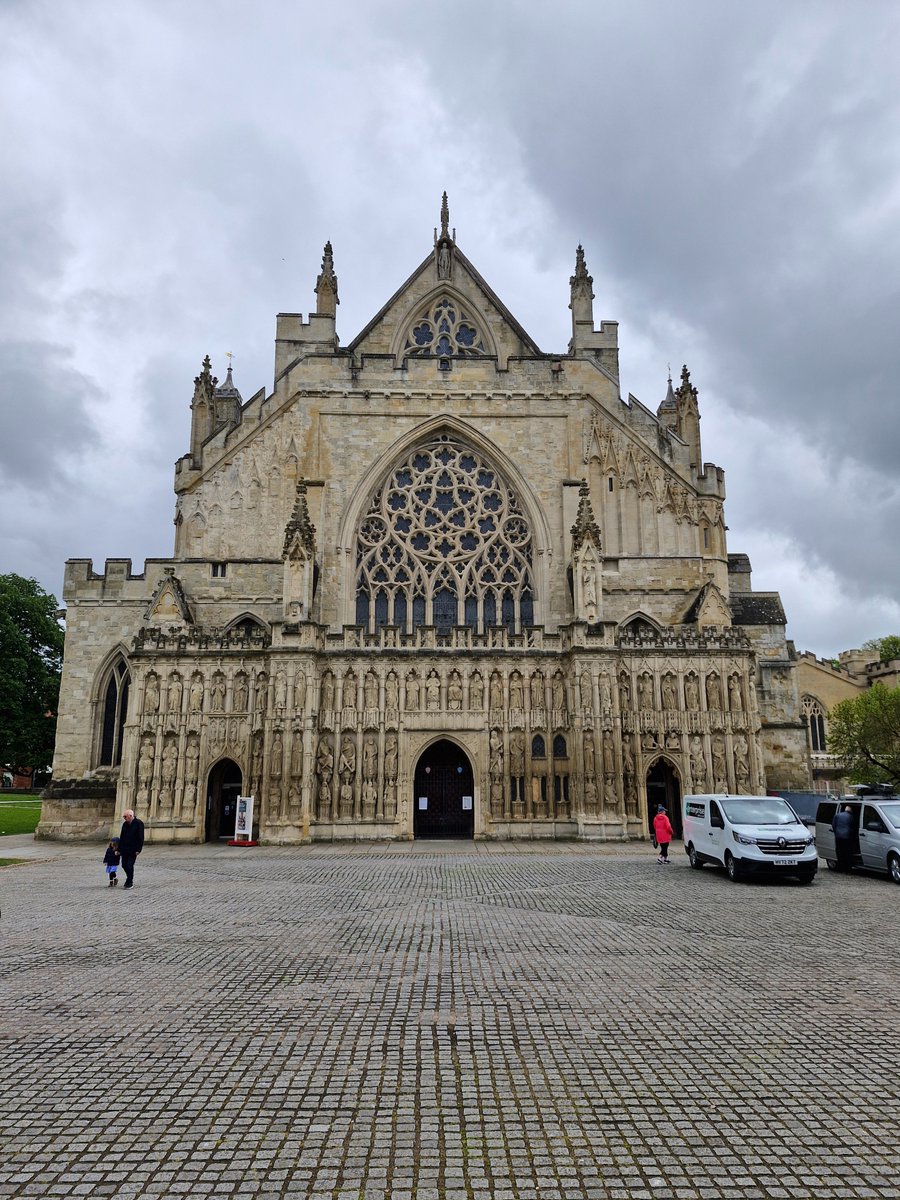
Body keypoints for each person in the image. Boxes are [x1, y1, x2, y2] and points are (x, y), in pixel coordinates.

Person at [118, 809, 145, 890]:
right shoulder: (125, 824)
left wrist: (138, 849)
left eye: (125, 816)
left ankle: (129, 881)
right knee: (124, 865)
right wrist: (119, 849)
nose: (124, 818)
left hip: (133, 849)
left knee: (129, 865)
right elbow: (122, 837)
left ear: (130, 816)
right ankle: (129, 878)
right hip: (124, 848)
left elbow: (141, 837)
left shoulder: (138, 823)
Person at [832, 804, 855, 872]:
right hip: (847, 837)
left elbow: (833, 825)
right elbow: (853, 826)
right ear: (850, 811)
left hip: (838, 836)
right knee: (847, 852)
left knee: (839, 852)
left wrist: (836, 832)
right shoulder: (851, 816)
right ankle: (848, 868)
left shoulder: (837, 815)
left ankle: (840, 867)